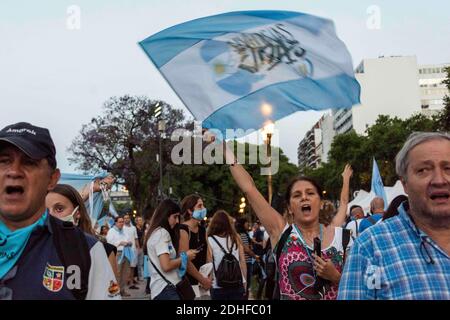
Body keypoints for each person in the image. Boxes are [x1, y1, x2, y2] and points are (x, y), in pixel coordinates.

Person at [216, 134, 353, 300]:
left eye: (310, 193)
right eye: (297, 195)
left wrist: (336, 277)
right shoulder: (281, 232)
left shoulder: (342, 237)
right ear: (289, 207)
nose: (304, 197)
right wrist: (222, 146)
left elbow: (359, 285)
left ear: (320, 201)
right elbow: (249, 188)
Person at [0, 122, 119, 300]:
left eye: (29, 162)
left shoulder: (86, 251)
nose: (14, 171)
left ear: (52, 179)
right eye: (4, 161)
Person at [339, 132, 450, 300]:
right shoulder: (369, 247)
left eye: (448, 168)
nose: (439, 180)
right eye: (424, 170)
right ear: (404, 183)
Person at [46, 184, 120, 288]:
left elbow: (111, 293)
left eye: (59, 209)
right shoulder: (34, 250)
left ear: (77, 213)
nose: (51, 216)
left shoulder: (101, 250)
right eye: (45, 211)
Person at [145, 199, 197, 300]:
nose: (177, 221)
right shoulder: (162, 234)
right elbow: (166, 265)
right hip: (166, 289)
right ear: (165, 215)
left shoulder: (156, 233)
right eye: (175, 217)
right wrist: (186, 257)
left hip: (163, 288)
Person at [207, 210, 247, 300]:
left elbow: (209, 264)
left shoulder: (209, 240)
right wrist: (245, 281)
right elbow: (242, 261)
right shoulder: (236, 238)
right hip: (237, 284)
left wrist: (209, 284)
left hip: (218, 285)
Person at [179, 195, 212, 295]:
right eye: (200, 206)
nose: (203, 208)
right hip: (190, 283)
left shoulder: (202, 229)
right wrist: (202, 279)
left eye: (203, 205)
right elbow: (185, 261)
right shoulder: (183, 230)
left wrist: (208, 277)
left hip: (204, 282)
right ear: (190, 211)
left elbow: (208, 255)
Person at [106, 216, 133, 297]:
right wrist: (120, 243)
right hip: (117, 254)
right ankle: (114, 292)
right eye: (120, 222)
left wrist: (129, 243)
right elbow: (109, 242)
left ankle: (122, 290)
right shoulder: (111, 231)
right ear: (116, 223)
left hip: (126, 254)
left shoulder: (124, 231)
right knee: (116, 273)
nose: (122, 223)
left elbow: (128, 239)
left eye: (122, 222)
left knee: (125, 273)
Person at [235, 217, 259, 299]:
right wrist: (254, 256)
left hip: (242, 261)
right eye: (246, 222)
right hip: (246, 262)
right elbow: (246, 249)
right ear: (242, 224)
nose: (248, 224)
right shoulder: (243, 235)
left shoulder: (240, 234)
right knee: (246, 283)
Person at [123, 214, 139, 289]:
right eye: (125, 218)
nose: (126, 219)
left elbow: (136, 238)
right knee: (126, 267)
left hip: (133, 250)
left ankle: (131, 283)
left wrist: (138, 248)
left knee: (132, 267)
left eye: (127, 218)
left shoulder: (133, 228)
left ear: (130, 219)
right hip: (125, 250)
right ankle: (125, 283)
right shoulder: (122, 228)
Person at [135, 216, 145, 281]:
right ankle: (138, 276)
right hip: (137, 248)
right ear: (136, 222)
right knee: (137, 263)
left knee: (141, 263)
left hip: (142, 247)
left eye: (141, 220)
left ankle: (140, 276)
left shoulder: (141, 229)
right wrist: (138, 247)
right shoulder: (135, 229)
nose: (141, 221)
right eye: (140, 220)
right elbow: (135, 239)